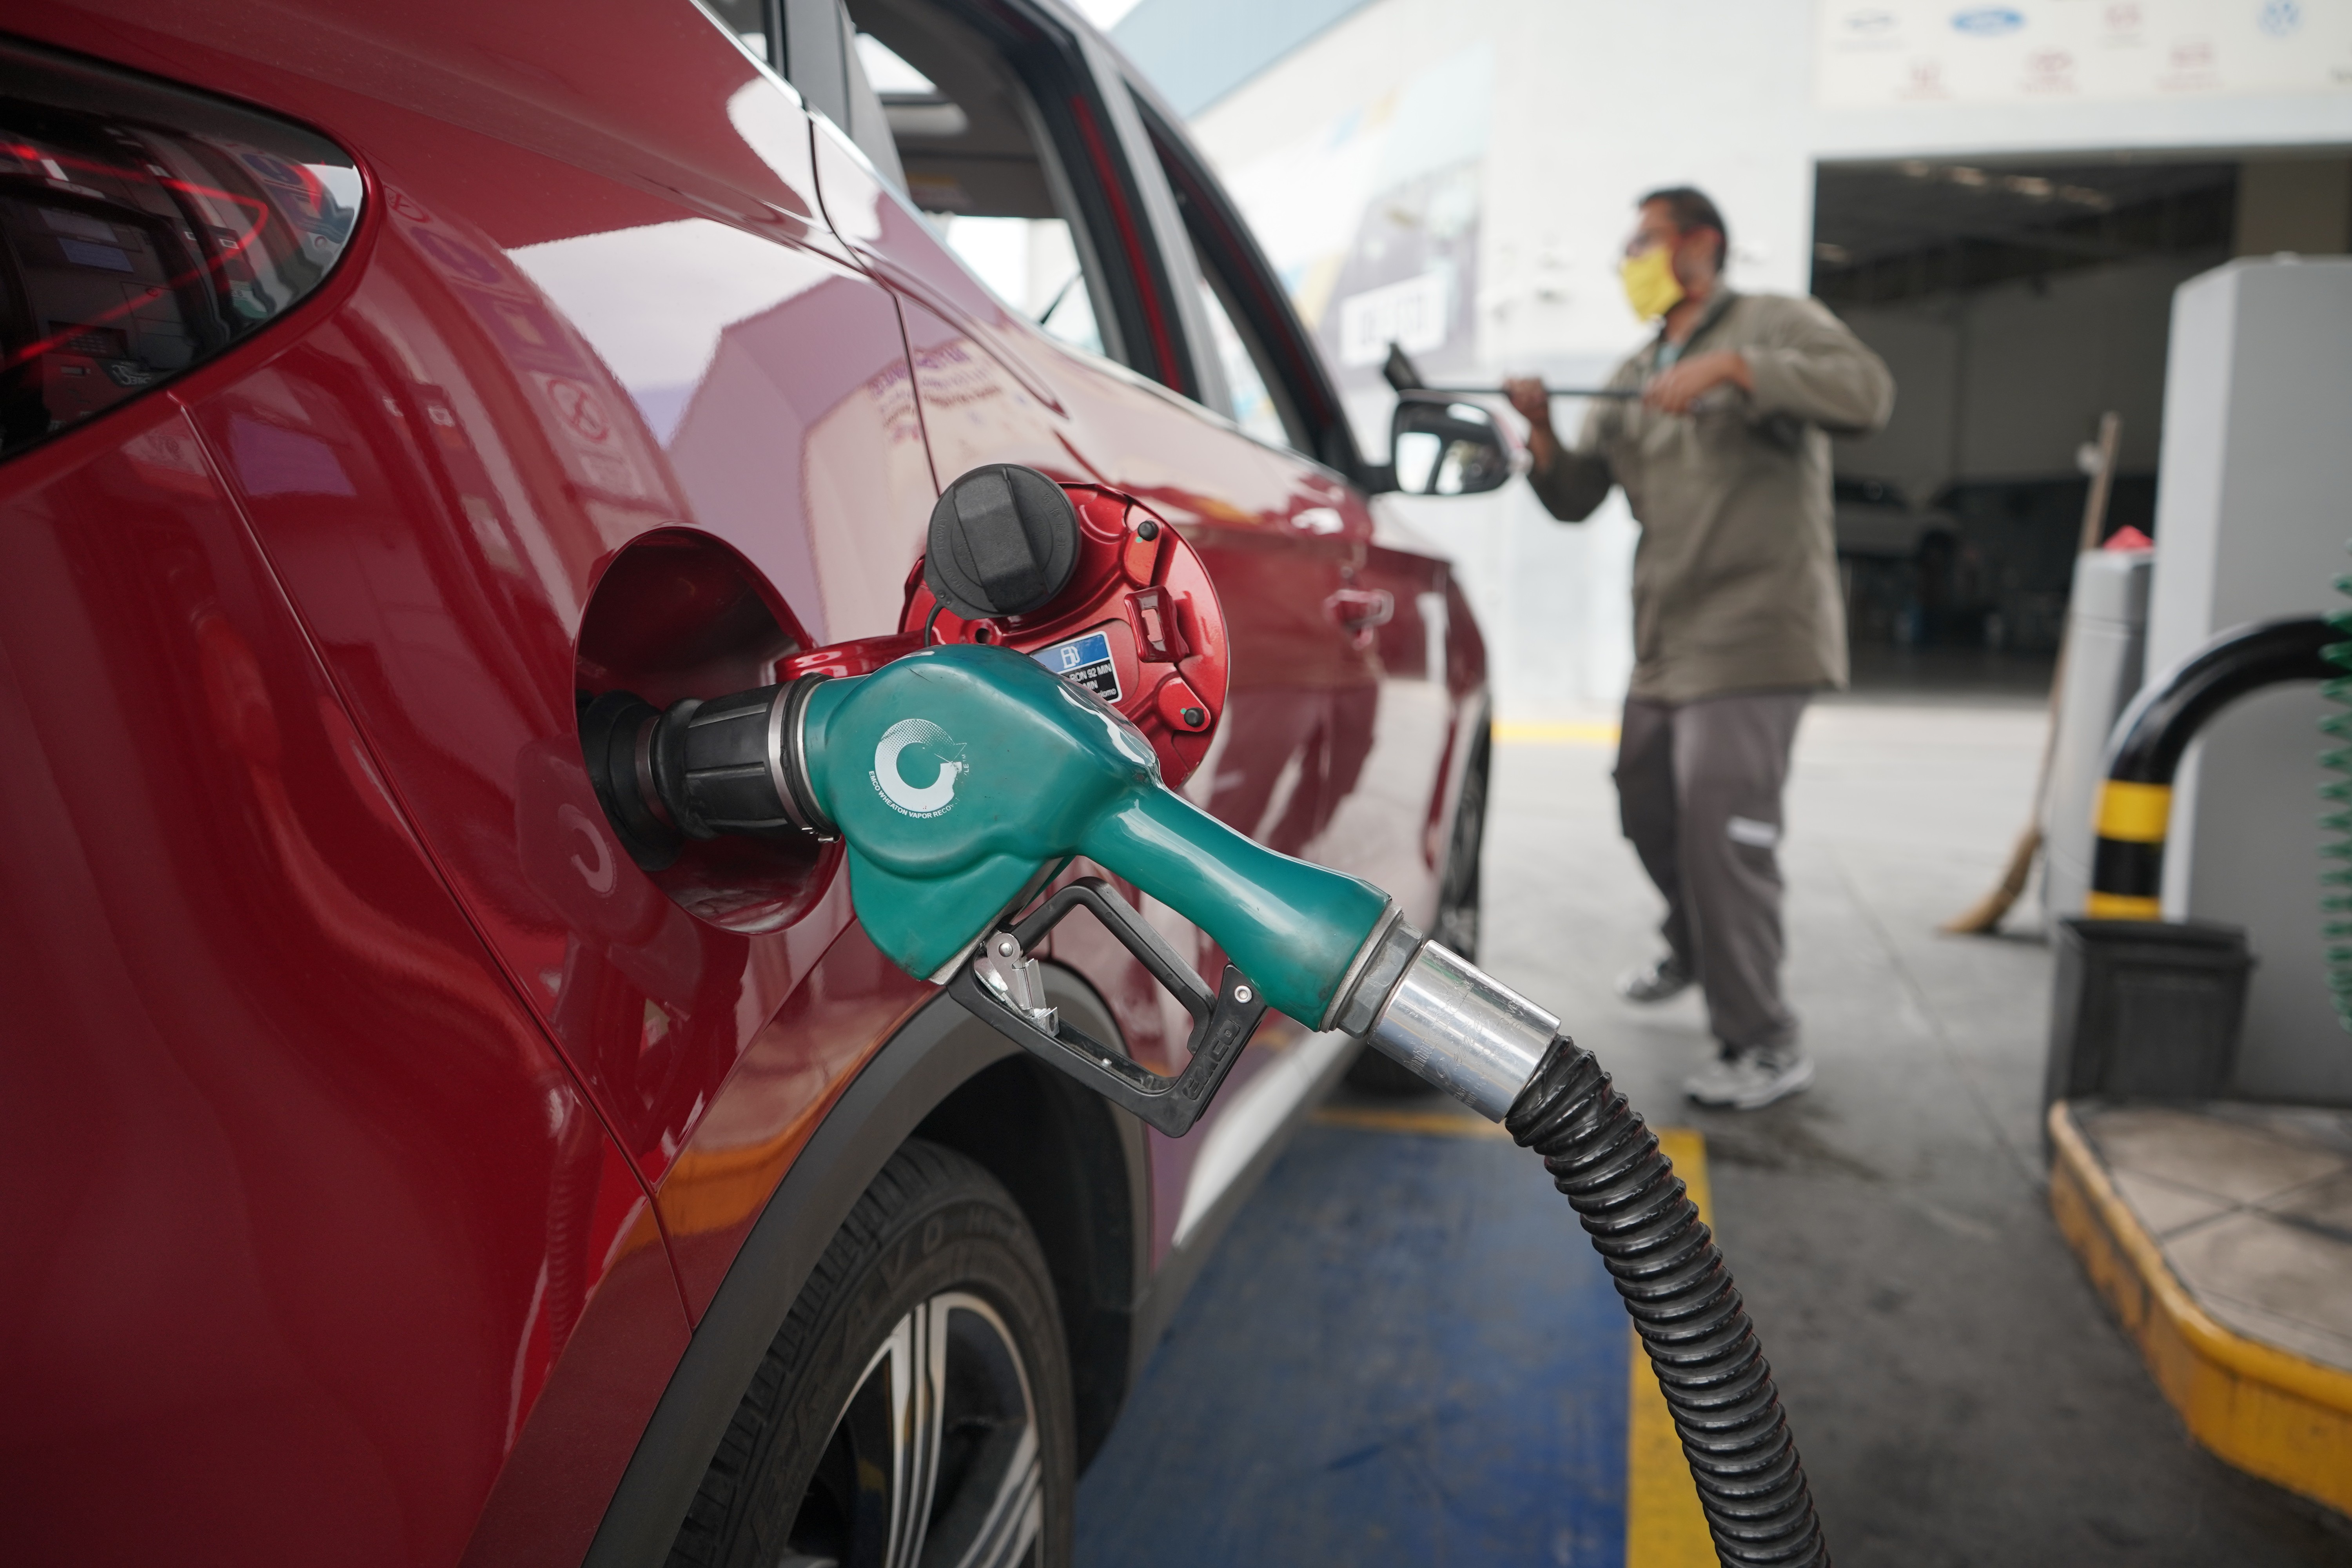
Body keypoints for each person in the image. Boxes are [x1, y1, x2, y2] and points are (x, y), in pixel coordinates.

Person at [1505, 187, 1893, 1110]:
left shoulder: (1771, 324)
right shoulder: (1639, 365)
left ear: (1701, 244)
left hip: (1758, 632)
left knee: (1725, 832)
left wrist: (1739, 370)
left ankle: (1764, 1038)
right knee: (1645, 803)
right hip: (1669, 639)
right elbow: (1577, 499)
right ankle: (1696, 941)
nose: (1629, 259)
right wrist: (1544, 436)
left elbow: (1867, 392)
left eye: (1644, 241)